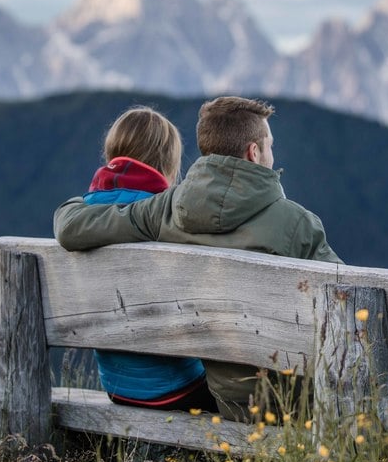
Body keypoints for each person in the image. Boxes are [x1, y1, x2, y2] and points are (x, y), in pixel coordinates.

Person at [54, 96, 341, 420]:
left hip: (227, 397)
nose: (273, 155)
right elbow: (352, 299)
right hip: (293, 401)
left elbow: (75, 227)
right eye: (269, 146)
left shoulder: (164, 209)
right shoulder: (296, 224)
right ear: (254, 152)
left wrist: (76, 203)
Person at [81, 106, 219, 413]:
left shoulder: (85, 212)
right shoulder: (170, 217)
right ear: (168, 161)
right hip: (176, 387)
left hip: (117, 387)